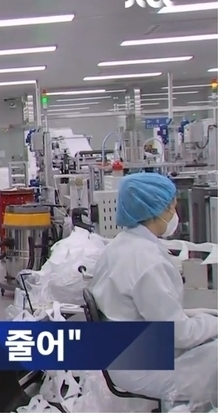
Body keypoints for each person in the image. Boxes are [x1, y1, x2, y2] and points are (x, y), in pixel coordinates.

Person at [89, 173, 217, 406]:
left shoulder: (120, 245)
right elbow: (181, 335)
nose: (174, 215)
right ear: (156, 211)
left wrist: (203, 316)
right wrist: (213, 323)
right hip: (142, 366)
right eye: (172, 208)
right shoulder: (147, 262)